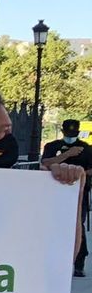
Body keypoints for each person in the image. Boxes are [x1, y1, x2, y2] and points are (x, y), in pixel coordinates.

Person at [42, 119, 92, 277]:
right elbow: (46, 163)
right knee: (52, 224)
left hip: (78, 191)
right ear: (63, 132)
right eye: (68, 134)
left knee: (78, 225)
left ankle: (79, 263)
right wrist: (67, 155)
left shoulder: (86, 149)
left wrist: (78, 174)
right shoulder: (53, 146)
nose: (71, 136)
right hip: (54, 190)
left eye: (74, 134)